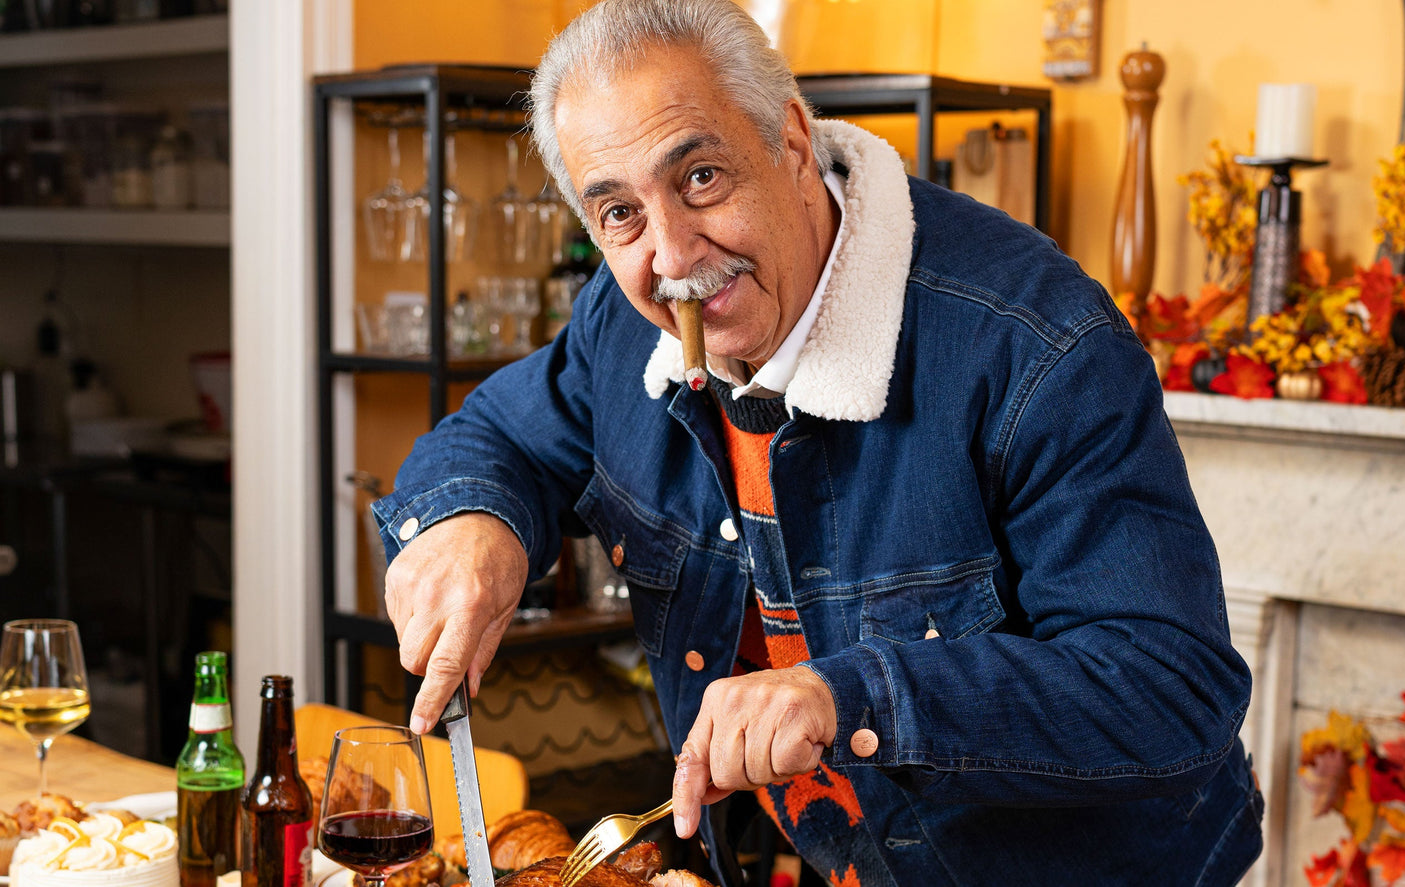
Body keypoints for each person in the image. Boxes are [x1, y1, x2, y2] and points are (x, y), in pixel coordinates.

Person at [375, 0, 1263, 883]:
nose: (673, 257)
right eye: (619, 213)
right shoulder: (624, 321)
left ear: (792, 144)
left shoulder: (1035, 344)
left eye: (700, 179)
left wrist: (849, 694)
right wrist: (471, 519)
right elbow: (501, 435)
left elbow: (1171, 686)